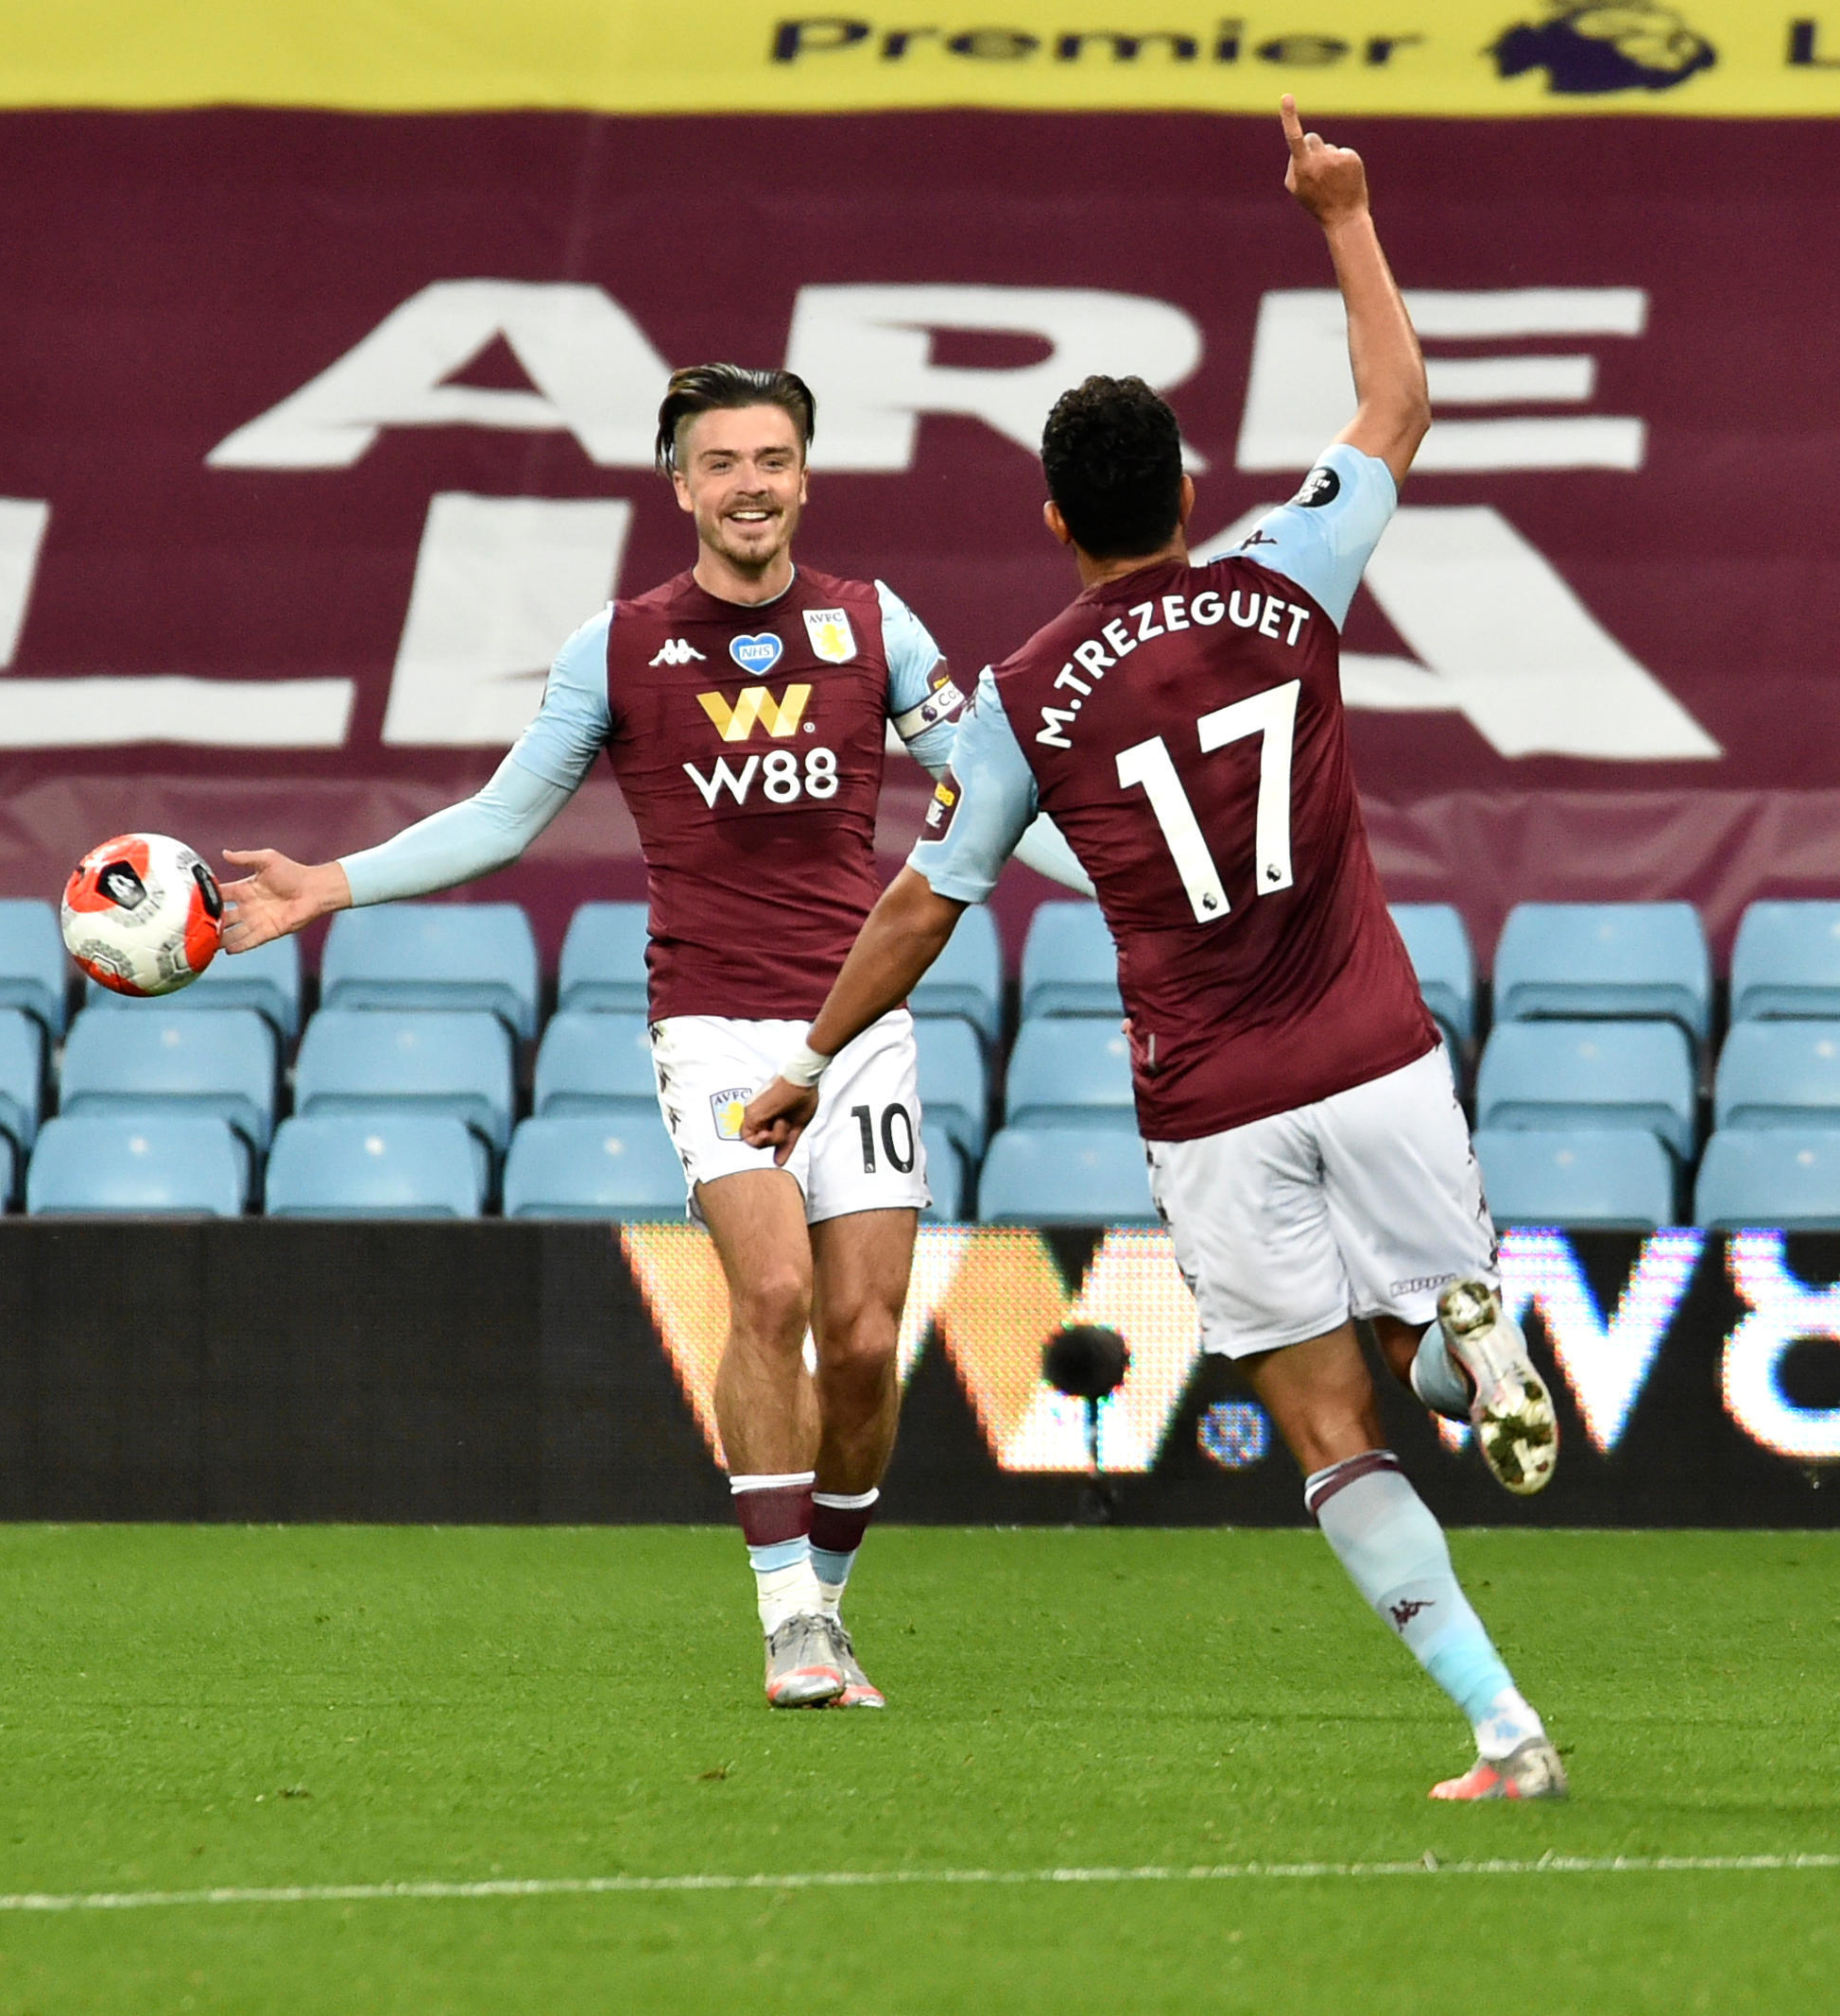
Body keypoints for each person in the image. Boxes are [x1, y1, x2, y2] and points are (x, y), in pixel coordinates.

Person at [742, 99, 1570, 1801]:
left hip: (1212, 1103)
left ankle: (1503, 1726)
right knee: (1417, 1335)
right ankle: (1460, 1340)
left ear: (1054, 518)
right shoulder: (1289, 571)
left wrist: (811, 1059)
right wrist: (1340, 212)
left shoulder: (1022, 696)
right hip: (1379, 1053)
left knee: (1328, 1430)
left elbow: (923, 904)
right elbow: (1399, 401)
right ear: (1191, 492)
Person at [216, 362, 1088, 1713]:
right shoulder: (616, 647)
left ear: (806, 476)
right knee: (774, 1295)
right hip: (713, 1026)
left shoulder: (875, 625)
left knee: (865, 1341)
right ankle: (786, 1619)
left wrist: (1154, 893)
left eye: (773, 459)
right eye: (721, 462)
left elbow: (989, 799)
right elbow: (502, 819)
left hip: (858, 1024)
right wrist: (328, 883)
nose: (750, 485)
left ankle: (828, 1600)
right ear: (678, 484)